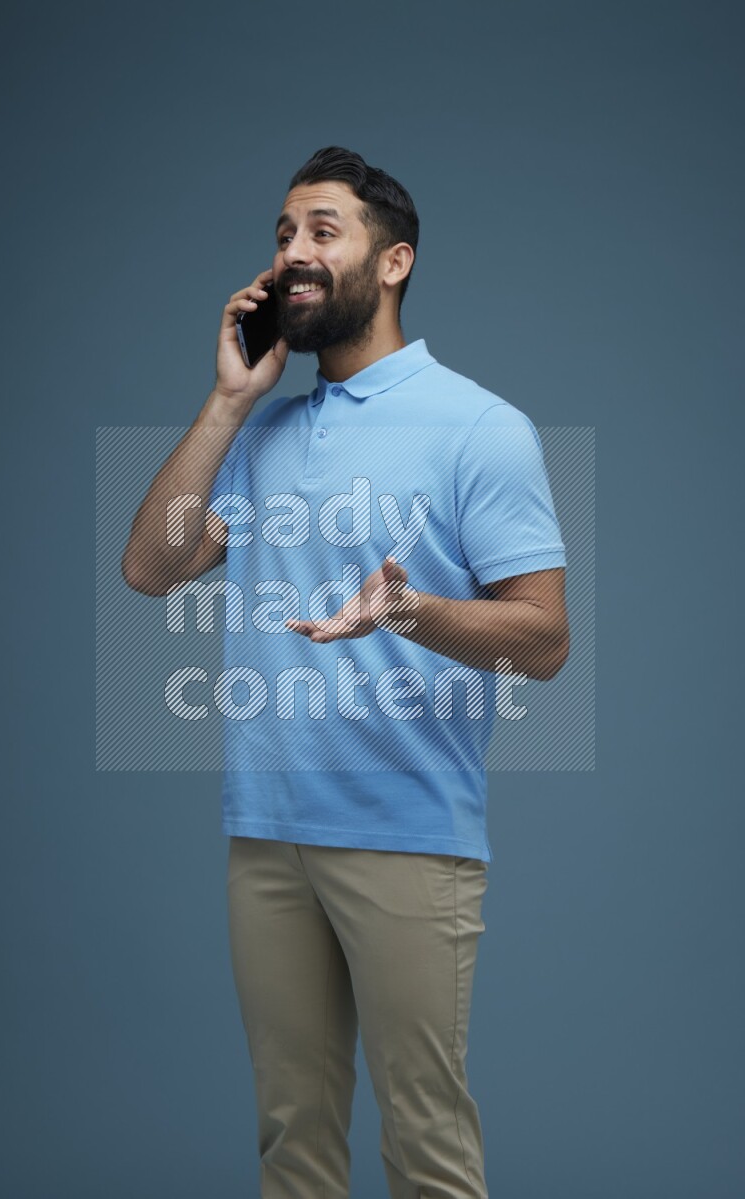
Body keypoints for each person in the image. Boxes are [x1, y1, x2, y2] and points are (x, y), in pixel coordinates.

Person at [122, 146, 569, 1199]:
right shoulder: (264, 430)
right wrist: (230, 399)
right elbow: (150, 567)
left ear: (394, 260)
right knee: (293, 1141)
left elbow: (543, 641)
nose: (291, 254)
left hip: (406, 828)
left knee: (424, 1146)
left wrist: (409, 610)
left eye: (322, 230)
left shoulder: (479, 427)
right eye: (282, 234)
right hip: (266, 832)